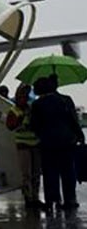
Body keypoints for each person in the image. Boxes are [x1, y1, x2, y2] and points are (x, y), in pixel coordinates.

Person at [31, 75, 84, 211]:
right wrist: (79, 136)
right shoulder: (65, 100)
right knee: (68, 171)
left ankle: (52, 201)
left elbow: (34, 125)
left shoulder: (37, 104)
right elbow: (73, 120)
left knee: (50, 173)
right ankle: (70, 200)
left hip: (48, 143)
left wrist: (41, 135)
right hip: (67, 141)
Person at [5, 84, 43, 209]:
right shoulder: (14, 111)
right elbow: (10, 126)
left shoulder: (32, 109)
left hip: (35, 143)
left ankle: (35, 197)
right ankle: (28, 198)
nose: (25, 98)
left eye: (26, 96)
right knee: (26, 173)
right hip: (23, 144)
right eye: (22, 96)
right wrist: (21, 120)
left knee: (36, 172)